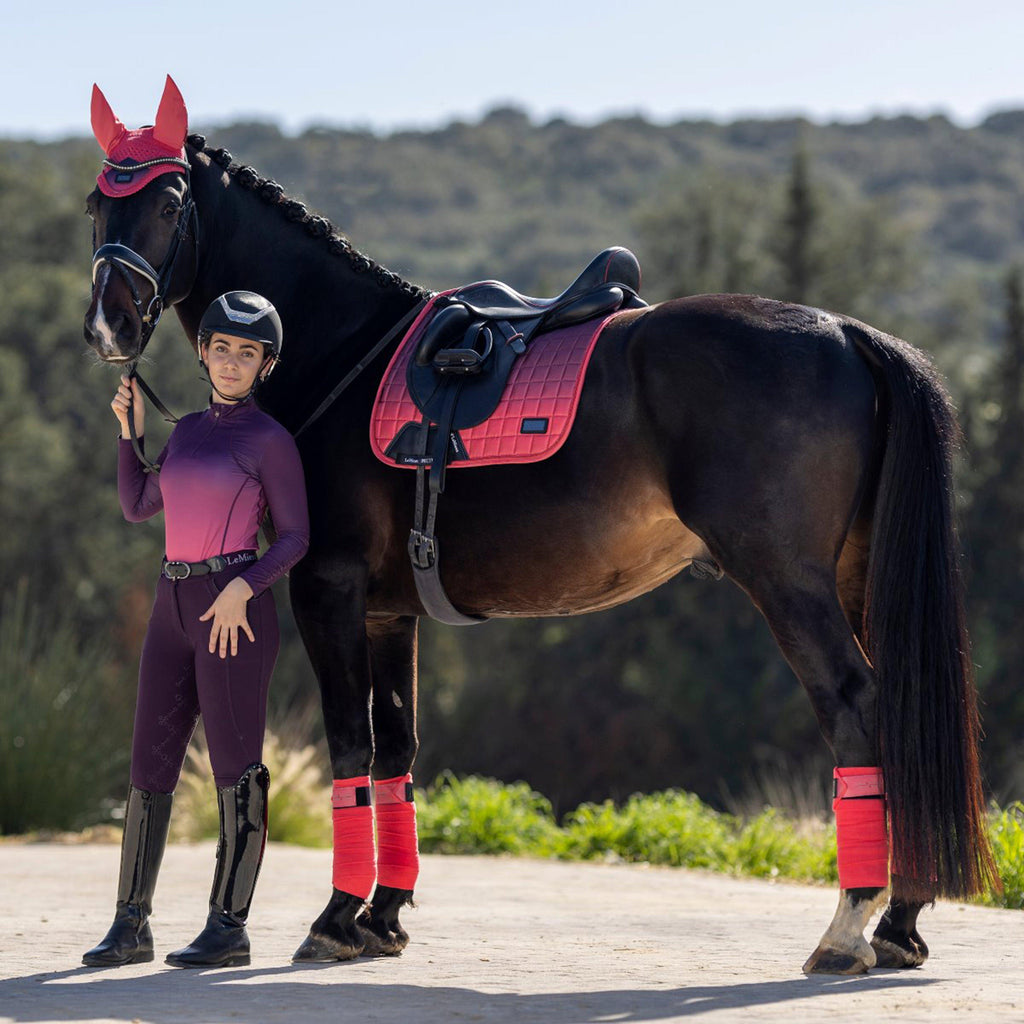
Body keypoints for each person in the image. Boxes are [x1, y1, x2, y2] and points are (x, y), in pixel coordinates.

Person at [82, 291, 309, 969]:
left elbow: (296, 538)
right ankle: (131, 925)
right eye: (221, 348)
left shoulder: (270, 441)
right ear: (202, 352)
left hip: (231, 608)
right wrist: (131, 436)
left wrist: (245, 586)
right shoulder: (185, 434)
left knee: (236, 769)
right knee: (149, 766)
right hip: (171, 603)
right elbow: (137, 505)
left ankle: (228, 928)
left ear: (265, 365)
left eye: (248, 352)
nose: (232, 362)